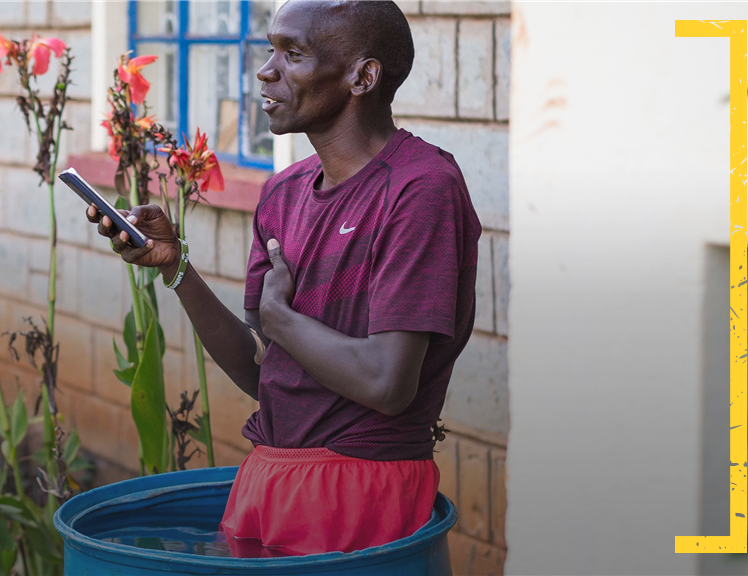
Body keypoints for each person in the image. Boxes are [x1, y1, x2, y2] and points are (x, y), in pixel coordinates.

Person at [86, 0, 481, 557]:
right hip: (266, 480)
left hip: (360, 494)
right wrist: (177, 268)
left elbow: (388, 386)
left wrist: (283, 320)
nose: (266, 69)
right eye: (270, 49)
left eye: (292, 53)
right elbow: (262, 372)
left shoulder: (420, 190)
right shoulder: (283, 193)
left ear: (362, 77)